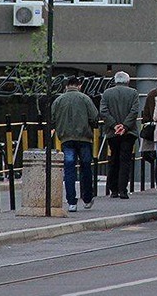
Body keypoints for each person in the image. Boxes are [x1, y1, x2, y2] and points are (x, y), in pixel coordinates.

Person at [51, 77, 99, 212]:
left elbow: (52, 117)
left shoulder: (59, 100)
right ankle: (87, 198)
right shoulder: (85, 99)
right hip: (84, 138)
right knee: (86, 168)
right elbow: (95, 116)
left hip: (66, 139)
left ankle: (71, 202)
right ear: (79, 85)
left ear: (66, 86)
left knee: (69, 169)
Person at [99, 71, 139, 199]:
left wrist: (114, 125)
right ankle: (123, 190)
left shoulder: (107, 93)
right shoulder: (133, 93)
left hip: (112, 132)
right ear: (127, 81)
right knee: (125, 161)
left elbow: (103, 111)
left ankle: (113, 189)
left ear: (115, 81)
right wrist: (125, 126)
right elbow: (134, 111)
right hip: (129, 132)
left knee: (113, 160)